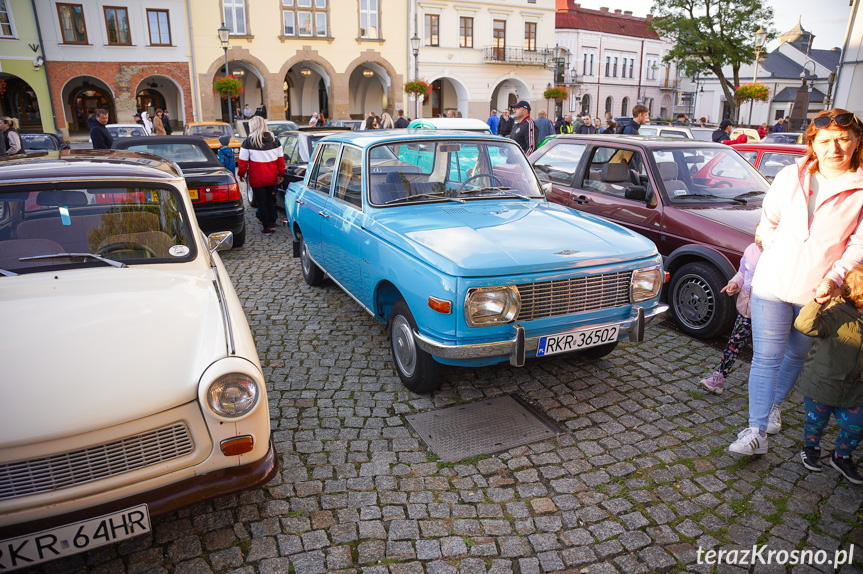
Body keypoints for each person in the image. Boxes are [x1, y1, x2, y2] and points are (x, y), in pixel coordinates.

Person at [728, 109, 863, 456]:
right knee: (765, 359)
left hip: (816, 292)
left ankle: (774, 406)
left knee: (796, 355)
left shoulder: (860, 187)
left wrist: (833, 278)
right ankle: (756, 432)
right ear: (813, 143)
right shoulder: (791, 175)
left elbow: (858, 244)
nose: (835, 147)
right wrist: (775, 251)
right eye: (826, 140)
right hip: (772, 283)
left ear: (857, 141)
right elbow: (769, 220)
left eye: (843, 138)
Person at [793, 265, 863, 483]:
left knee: (857, 424)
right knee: (816, 423)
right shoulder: (836, 312)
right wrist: (817, 303)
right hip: (821, 385)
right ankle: (811, 447)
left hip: (853, 388)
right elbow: (804, 325)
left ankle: (841, 456)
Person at [700, 227, 763, 394]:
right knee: (733, 345)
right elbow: (743, 272)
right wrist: (735, 283)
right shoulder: (751, 250)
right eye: (757, 235)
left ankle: (764, 390)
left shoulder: (776, 256)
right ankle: (719, 378)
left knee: (763, 353)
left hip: (766, 313)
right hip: (746, 310)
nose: (760, 240)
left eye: (764, 236)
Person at [237, 116, 285, 236]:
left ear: (252, 126)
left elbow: (242, 162)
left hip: (256, 177)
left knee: (261, 202)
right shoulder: (275, 140)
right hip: (271, 176)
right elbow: (280, 161)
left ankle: (266, 227)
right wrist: (281, 174)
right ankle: (272, 222)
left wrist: (241, 174)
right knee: (270, 199)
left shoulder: (248, 142)